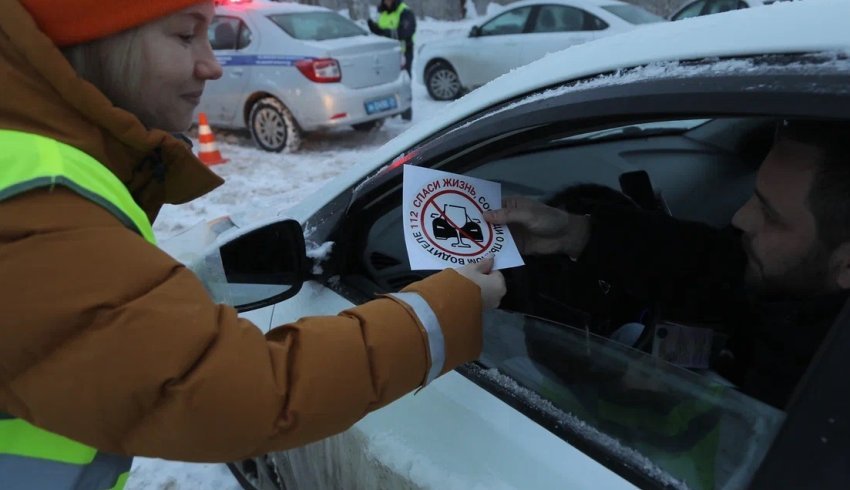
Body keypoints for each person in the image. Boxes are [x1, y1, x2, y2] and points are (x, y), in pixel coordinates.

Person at [0, 1, 505, 489]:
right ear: (100, 41)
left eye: (210, 34)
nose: (212, 65)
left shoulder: (33, 167)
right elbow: (226, 390)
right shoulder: (35, 203)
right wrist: (444, 309)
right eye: (184, 34)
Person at [485, 120, 850, 409]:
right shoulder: (790, 278)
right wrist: (575, 232)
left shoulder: (820, 404)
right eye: (754, 197)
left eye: (770, 215)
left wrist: (644, 401)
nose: (741, 217)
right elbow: (708, 259)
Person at [368, 0, 416, 120]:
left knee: (403, 82)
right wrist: (373, 28)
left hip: (403, 53)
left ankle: (406, 112)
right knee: (388, 83)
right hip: (385, 54)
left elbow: (405, 31)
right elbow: (379, 31)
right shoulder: (381, 12)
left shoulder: (405, 11)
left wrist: (383, 33)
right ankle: (393, 110)